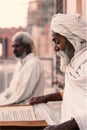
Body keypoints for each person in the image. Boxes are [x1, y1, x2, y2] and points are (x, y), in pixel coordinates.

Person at [29, 14, 87, 130]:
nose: (55, 48)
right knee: (38, 108)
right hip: (71, 120)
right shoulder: (75, 63)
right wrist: (46, 98)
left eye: (57, 42)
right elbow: (75, 94)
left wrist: (62, 127)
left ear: (73, 40)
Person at [0, 31, 46, 106]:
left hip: (31, 108)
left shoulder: (33, 63)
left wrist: (3, 103)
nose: (14, 50)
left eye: (17, 46)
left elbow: (22, 95)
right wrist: (2, 98)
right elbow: (11, 90)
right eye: (13, 46)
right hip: (17, 104)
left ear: (27, 46)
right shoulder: (20, 63)